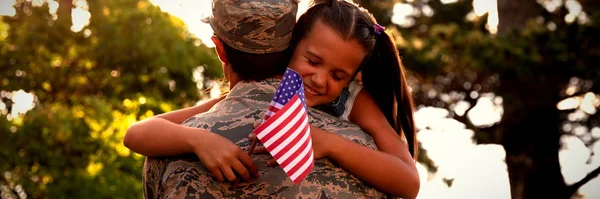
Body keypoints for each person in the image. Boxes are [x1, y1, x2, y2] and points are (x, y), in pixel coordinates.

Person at [126, 0, 420, 198]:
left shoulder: (353, 100)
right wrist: (200, 140)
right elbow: (136, 133)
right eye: (313, 61)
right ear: (292, 45)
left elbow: (408, 182)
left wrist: (330, 144)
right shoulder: (238, 99)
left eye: (338, 75)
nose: (320, 79)